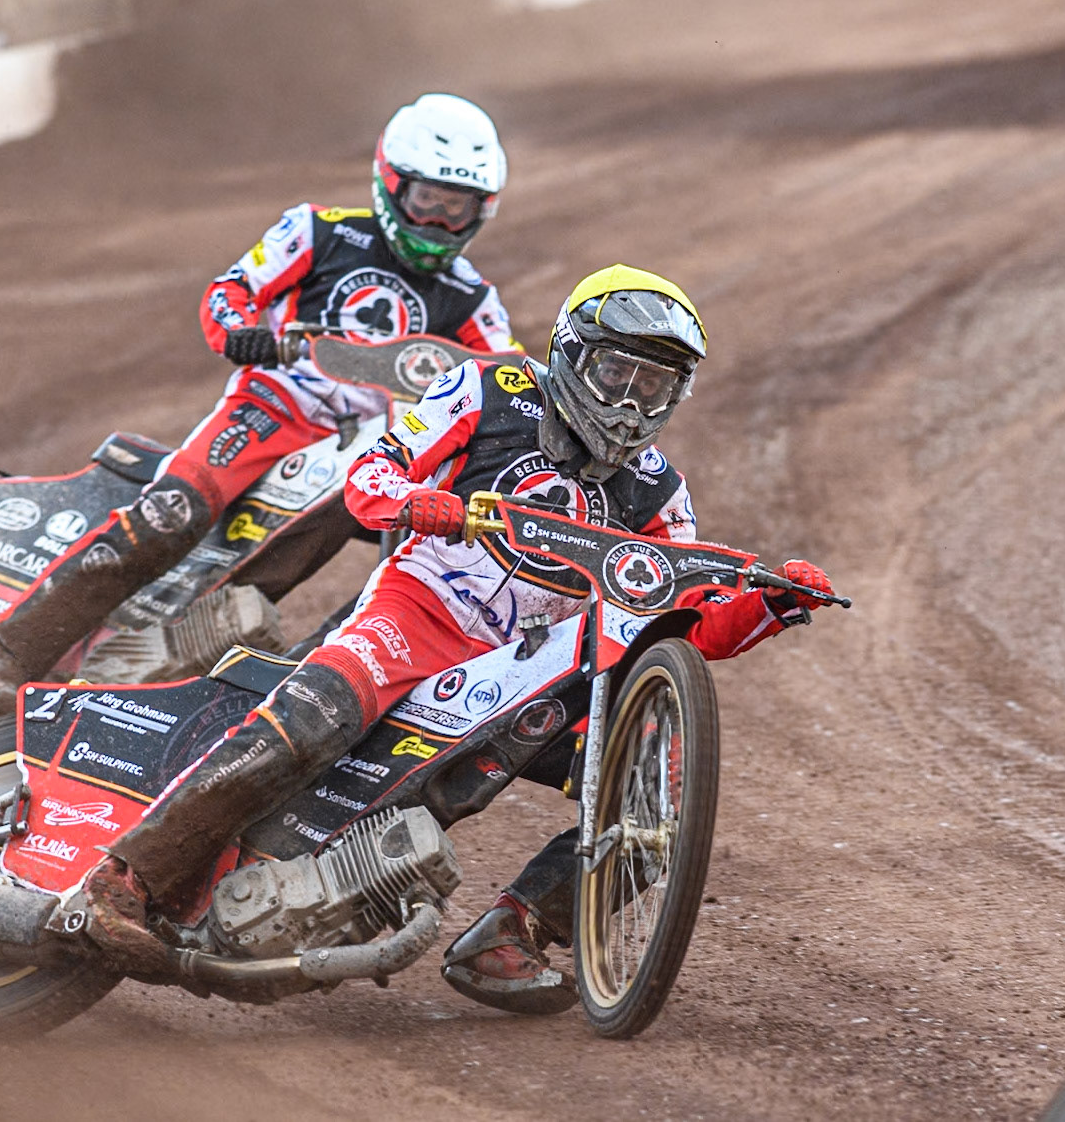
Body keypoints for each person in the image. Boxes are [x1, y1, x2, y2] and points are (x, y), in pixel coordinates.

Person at [76, 265, 836, 1010]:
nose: (633, 403)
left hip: (518, 669)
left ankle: (514, 930)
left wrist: (769, 604)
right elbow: (371, 474)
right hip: (414, 612)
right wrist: (419, 503)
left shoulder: (660, 492)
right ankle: (125, 877)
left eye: (656, 386)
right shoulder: (487, 388)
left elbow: (678, 619)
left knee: (656, 799)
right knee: (312, 717)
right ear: (572, 352)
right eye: (618, 373)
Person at [0, 93, 519, 714]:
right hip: (273, 408)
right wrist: (244, 331)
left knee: (430, 554)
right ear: (391, 184)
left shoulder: (472, 299)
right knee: (171, 512)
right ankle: (6, 653)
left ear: (480, 210)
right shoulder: (320, 231)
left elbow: (511, 383)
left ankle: (292, 692)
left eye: (454, 208)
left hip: (375, 448)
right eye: (426, 202)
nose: (437, 222)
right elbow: (232, 289)